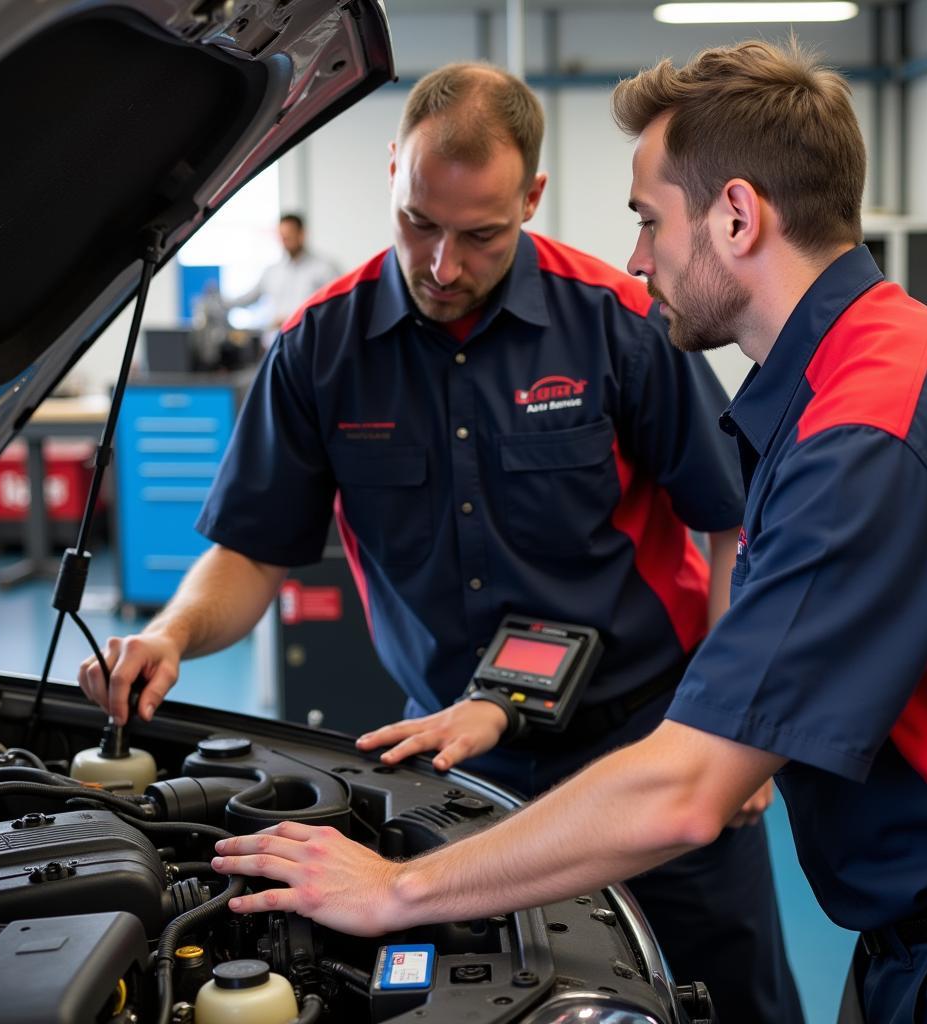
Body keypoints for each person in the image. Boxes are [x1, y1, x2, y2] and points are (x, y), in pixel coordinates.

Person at [198, 41, 927, 1024]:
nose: (637, 258)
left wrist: (391, 890)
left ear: (736, 215)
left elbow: (685, 790)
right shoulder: (881, 365)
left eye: (648, 221)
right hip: (902, 933)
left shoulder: (862, 436)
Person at [79, 64, 803, 1022]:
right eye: (419, 221)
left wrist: (726, 724)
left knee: (735, 996)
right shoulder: (319, 351)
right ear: (393, 172)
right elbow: (253, 552)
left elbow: (728, 524)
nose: (442, 265)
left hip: (645, 743)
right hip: (453, 765)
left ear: (531, 199)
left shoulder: (619, 325)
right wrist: (171, 634)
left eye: (481, 234)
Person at [225, 213, 338, 330]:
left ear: (301, 234)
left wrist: (297, 318)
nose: (285, 241)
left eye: (289, 236)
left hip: (310, 340)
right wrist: (222, 303)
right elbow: (249, 297)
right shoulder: (272, 271)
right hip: (278, 340)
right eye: (282, 237)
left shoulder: (325, 268)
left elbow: (336, 306)